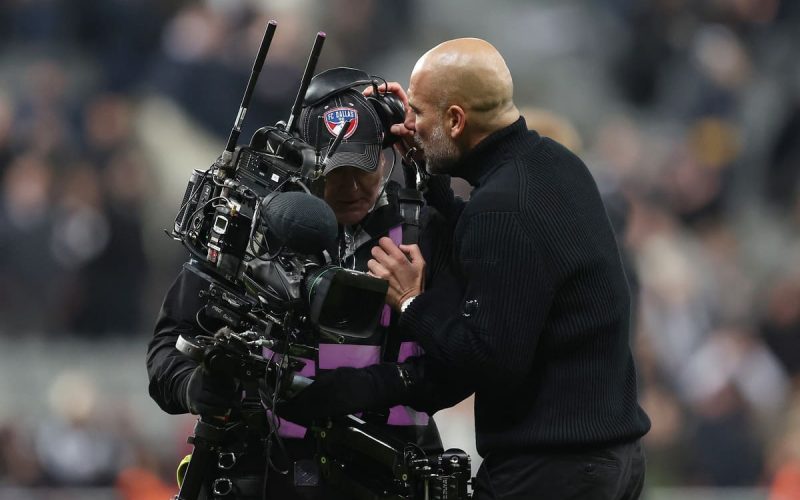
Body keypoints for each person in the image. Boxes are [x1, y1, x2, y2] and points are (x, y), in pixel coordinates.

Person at [365, 38, 652, 499]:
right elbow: (499, 255)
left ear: (456, 120)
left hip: (551, 471)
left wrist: (411, 301)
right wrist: (430, 177)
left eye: (419, 112)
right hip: (611, 461)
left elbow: (488, 360)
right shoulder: (556, 164)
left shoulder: (502, 207)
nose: (411, 125)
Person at [146, 80, 455, 498]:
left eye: (361, 169)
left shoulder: (425, 230)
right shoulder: (247, 231)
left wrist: (409, 317)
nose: (349, 188)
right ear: (303, 167)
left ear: (384, 156)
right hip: (262, 474)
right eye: (334, 173)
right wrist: (193, 387)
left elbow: (467, 361)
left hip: (384, 475)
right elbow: (167, 348)